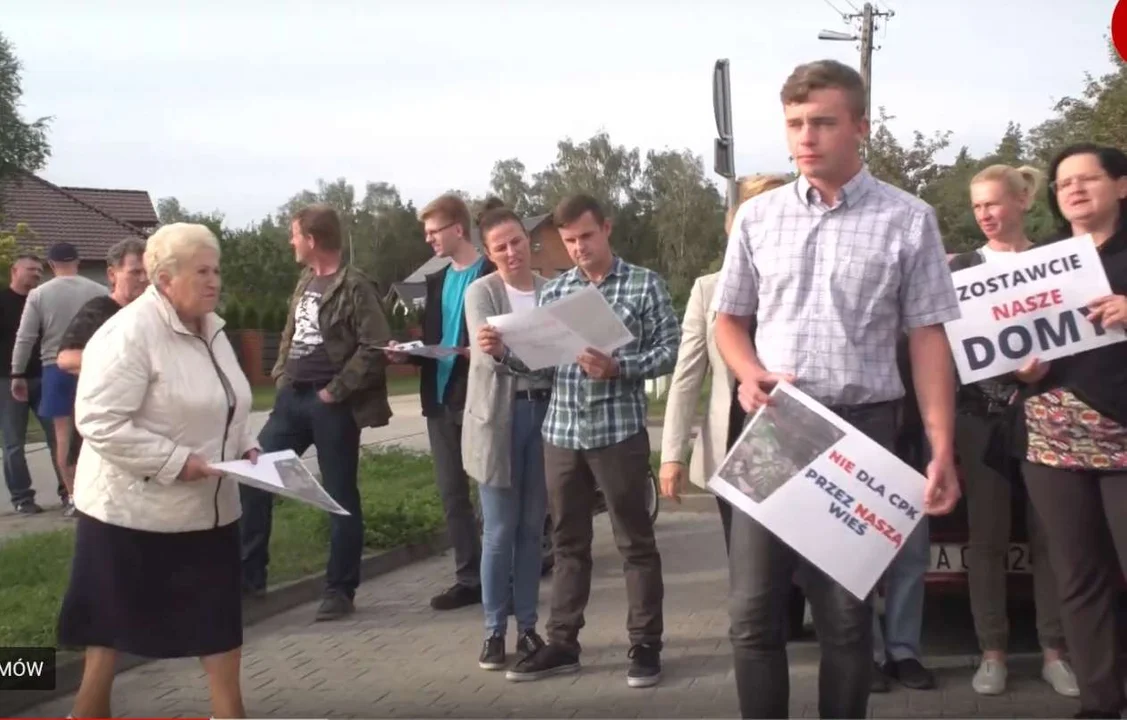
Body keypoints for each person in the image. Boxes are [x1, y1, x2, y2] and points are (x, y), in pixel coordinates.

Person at [711, 59, 963, 718]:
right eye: (795, 123)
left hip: (863, 430)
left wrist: (940, 448)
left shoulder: (908, 220)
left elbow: (927, 339)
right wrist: (747, 370)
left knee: (846, 621)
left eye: (821, 122)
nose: (805, 137)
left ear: (859, 126)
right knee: (751, 616)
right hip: (777, 428)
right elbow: (728, 319)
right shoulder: (758, 218)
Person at [57, 223, 257, 719]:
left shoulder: (213, 327)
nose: (214, 282)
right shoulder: (128, 333)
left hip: (208, 509)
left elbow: (229, 402)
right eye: (201, 272)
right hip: (129, 511)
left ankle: (230, 713)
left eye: (216, 271)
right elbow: (98, 420)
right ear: (164, 279)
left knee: (218, 623)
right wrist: (174, 461)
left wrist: (248, 445)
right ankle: (88, 711)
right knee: (109, 626)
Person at [488, 193, 681, 688]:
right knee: (569, 542)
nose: (578, 248)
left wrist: (620, 367)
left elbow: (671, 351)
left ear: (606, 229)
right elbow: (542, 364)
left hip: (617, 432)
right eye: (569, 241)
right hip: (562, 432)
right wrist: (505, 353)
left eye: (586, 237)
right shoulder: (557, 292)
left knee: (634, 541)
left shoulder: (643, 285)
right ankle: (563, 643)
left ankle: (645, 643)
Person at [949, 165, 1077, 697]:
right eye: (977, 207)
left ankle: (1055, 652)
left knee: (1053, 537)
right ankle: (993, 652)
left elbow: (1079, 331)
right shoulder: (961, 268)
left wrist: (1043, 369)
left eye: (993, 204)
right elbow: (951, 347)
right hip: (981, 419)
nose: (984, 215)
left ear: (1022, 201)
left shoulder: (1057, 263)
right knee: (987, 539)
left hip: (1051, 414)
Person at [1014, 143, 1127, 720]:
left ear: (1122, 186)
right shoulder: (1045, 261)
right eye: (1063, 184)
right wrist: (1024, 366)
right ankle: (1101, 703)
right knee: (1078, 578)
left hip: (1123, 439)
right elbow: (1016, 345)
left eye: (1088, 179)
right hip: (1051, 444)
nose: (1075, 191)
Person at [240, 203, 393, 621]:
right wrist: (280, 373)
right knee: (253, 475)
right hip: (292, 400)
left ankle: (339, 590)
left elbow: (375, 346)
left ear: (311, 239)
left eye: (294, 234)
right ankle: (250, 581)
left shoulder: (356, 286)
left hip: (333, 406)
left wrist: (335, 391)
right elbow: (292, 331)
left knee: (339, 496)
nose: (290, 241)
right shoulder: (305, 280)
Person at [658, 174, 789, 551]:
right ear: (734, 226)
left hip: (794, 439)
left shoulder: (806, 286)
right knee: (747, 569)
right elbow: (686, 379)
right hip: (731, 442)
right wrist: (671, 455)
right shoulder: (707, 289)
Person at [386, 193, 495, 611]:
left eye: (434, 231)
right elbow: (436, 341)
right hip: (439, 397)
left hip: (478, 395)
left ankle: (498, 572)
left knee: (489, 491)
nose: (429, 239)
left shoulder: (491, 274)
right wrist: (406, 352)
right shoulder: (435, 282)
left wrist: (477, 353)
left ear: (458, 229)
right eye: (426, 233)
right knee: (453, 495)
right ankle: (469, 578)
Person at [463, 198, 553, 671]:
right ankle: (494, 631)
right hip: (497, 421)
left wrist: (520, 352)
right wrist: (523, 355)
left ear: (528, 239)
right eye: (501, 246)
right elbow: (488, 357)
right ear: (489, 251)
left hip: (544, 418)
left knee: (531, 527)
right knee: (498, 530)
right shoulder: (481, 292)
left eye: (517, 241)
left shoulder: (551, 289)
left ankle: (529, 627)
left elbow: (560, 355)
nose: (512, 252)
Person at [10, 241, 108, 516]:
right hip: (94, 366)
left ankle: (75, 497)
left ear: (51, 265)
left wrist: (17, 372)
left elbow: (26, 337)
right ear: (78, 262)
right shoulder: (100, 291)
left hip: (56, 368)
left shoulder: (40, 294)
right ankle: (101, 492)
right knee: (99, 432)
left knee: (62, 436)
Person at [870, 338, 936, 693]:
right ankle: (867, 654)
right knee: (858, 561)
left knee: (912, 557)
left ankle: (904, 651)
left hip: (911, 444)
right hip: (857, 441)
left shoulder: (917, 315)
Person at [55, 238, 150, 478]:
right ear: (112, 274)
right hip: (105, 420)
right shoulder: (99, 310)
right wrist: (124, 367)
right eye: (135, 272)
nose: (143, 278)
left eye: (148, 272)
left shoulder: (154, 314)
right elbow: (66, 357)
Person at [0, 253, 64, 514]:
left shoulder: (41, 301)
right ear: (15, 271)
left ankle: (67, 491)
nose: (37, 275)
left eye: (40, 271)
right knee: (13, 442)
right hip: (7, 380)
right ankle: (22, 498)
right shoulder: (3, 301)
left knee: (57, 438)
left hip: (44, 376)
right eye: (31, 269)